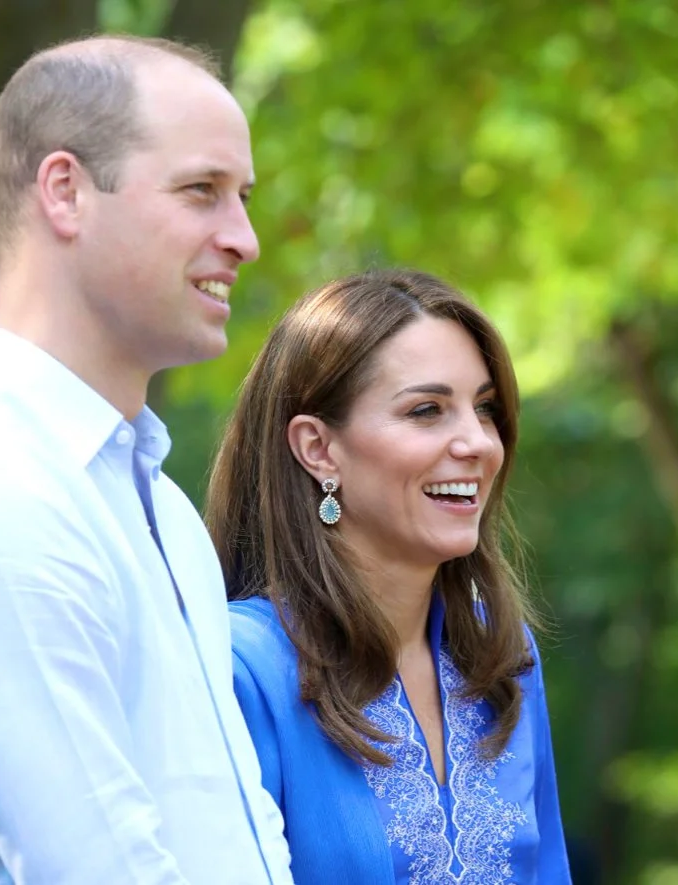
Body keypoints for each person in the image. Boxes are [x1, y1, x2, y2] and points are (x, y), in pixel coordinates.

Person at [0, 36, 292, 885]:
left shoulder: (156, 502)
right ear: (65, 192)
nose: (244, 239)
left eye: (240, 197)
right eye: (201, 191)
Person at [206, 268, 572, 884]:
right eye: (427, 410)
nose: (478, 442)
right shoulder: (240, 668)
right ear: (318, 448)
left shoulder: (502, 660)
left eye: (484, 409)